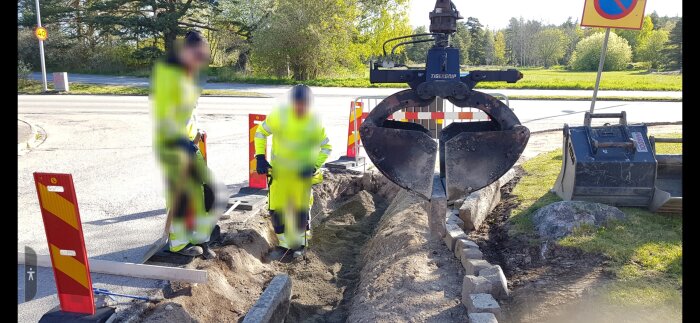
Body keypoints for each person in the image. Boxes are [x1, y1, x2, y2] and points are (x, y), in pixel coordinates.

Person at [151, 30, 218, 257]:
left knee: (202, 192)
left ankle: (200, 239)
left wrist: (195, 131)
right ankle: (179, 244)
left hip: (189, 143)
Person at [254, 84, 332, 252]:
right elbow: (260, 133)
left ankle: (301, 244)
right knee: (277, 210)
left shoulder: (313, 122)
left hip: (301, 177)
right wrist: (260, 157)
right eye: (298, 103)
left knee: (301, 212)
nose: (301, 107)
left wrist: (313, 166)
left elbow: (326, 148)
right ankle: (283, 244)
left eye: (304, 104)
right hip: (279, 175)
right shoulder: (279, 116)